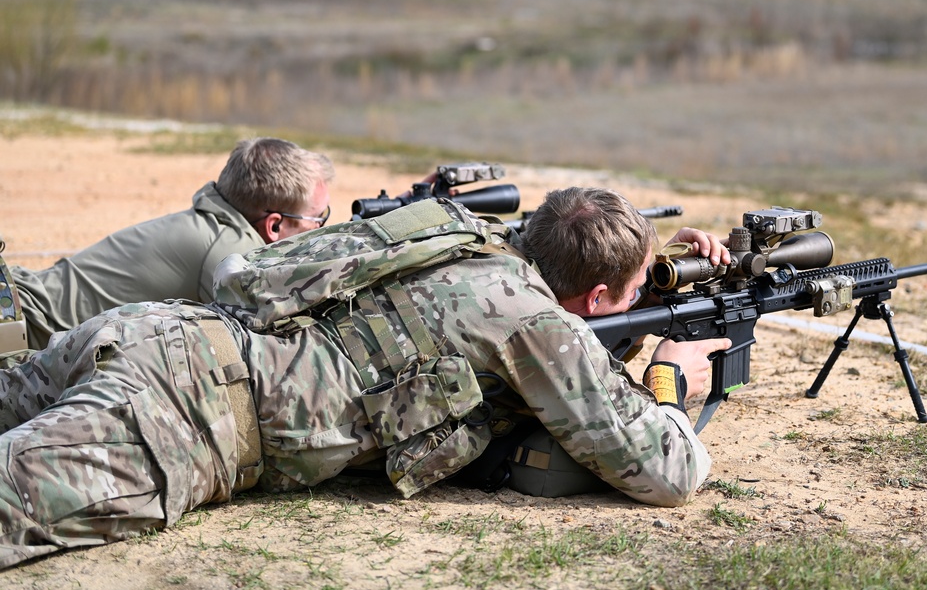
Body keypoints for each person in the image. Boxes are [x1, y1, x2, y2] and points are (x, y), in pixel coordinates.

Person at [0, 187, 731, 569]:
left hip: (145, 332)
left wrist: (646, 265)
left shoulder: (452, 230)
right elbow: (665, 471)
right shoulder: (540, 328)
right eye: (636, 290)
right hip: (180, 417)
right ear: (595, 298)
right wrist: (669, 377)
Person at [7, 137, 334, 351]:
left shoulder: (210, 221)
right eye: (318, 219)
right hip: (15, 332)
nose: (322, 226)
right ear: (274, 225)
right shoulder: (229, 253)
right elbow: (285, 344)